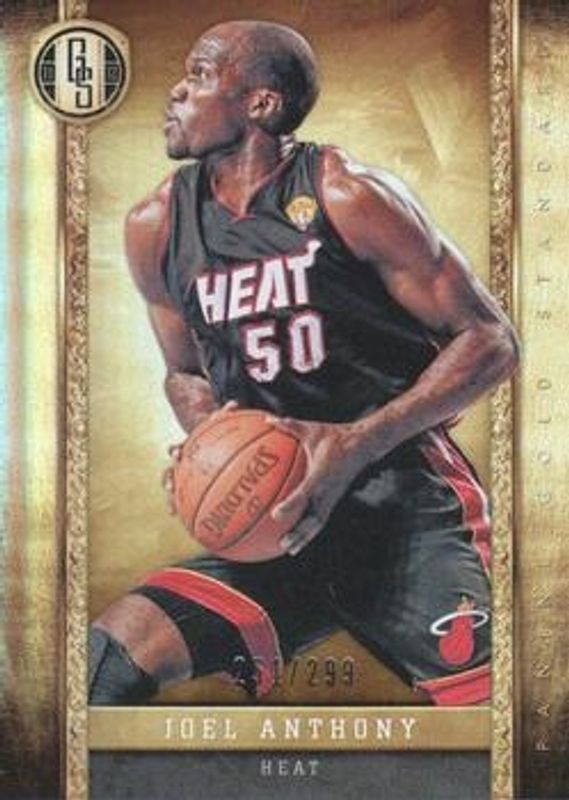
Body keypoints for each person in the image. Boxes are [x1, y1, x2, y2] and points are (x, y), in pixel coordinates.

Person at [88, 20, 519, 706]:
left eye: (199, 75)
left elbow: (490, 340)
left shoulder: (347, 195)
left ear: (260, 104)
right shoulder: (156, 226)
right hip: (275, 522)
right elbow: (186, 372)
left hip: (400, 506)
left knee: (501, 727)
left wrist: (354, 442)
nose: (176, 91)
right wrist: (208, 444)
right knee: (103, 666)